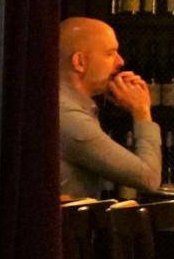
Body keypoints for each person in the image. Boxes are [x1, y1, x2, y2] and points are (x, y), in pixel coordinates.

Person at [58, 16, 162, 200]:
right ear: (79, 62)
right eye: (110, 53)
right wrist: (142, 112)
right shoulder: (68, 115)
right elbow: (148, 178)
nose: (120, 61)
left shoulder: (65, 106)